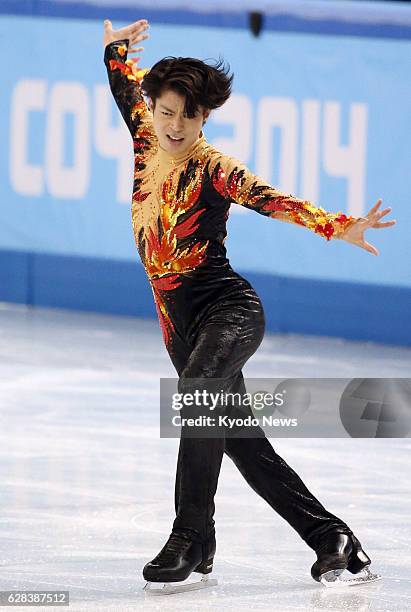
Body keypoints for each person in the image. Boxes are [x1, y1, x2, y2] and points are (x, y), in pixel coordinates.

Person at [102, 18, 395, 594]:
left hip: (227, 309)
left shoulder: (215, 168)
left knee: (200, 392)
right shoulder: (144, 134)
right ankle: (331, 536)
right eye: (166, 111)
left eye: (189, 114)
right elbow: (120, 81)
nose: (176, 124)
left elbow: (274, 200)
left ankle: (189, 535)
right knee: (239, 440)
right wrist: (115, 48)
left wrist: (341, 227)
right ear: (153, 110)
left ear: (205, 117)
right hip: (177, 325)